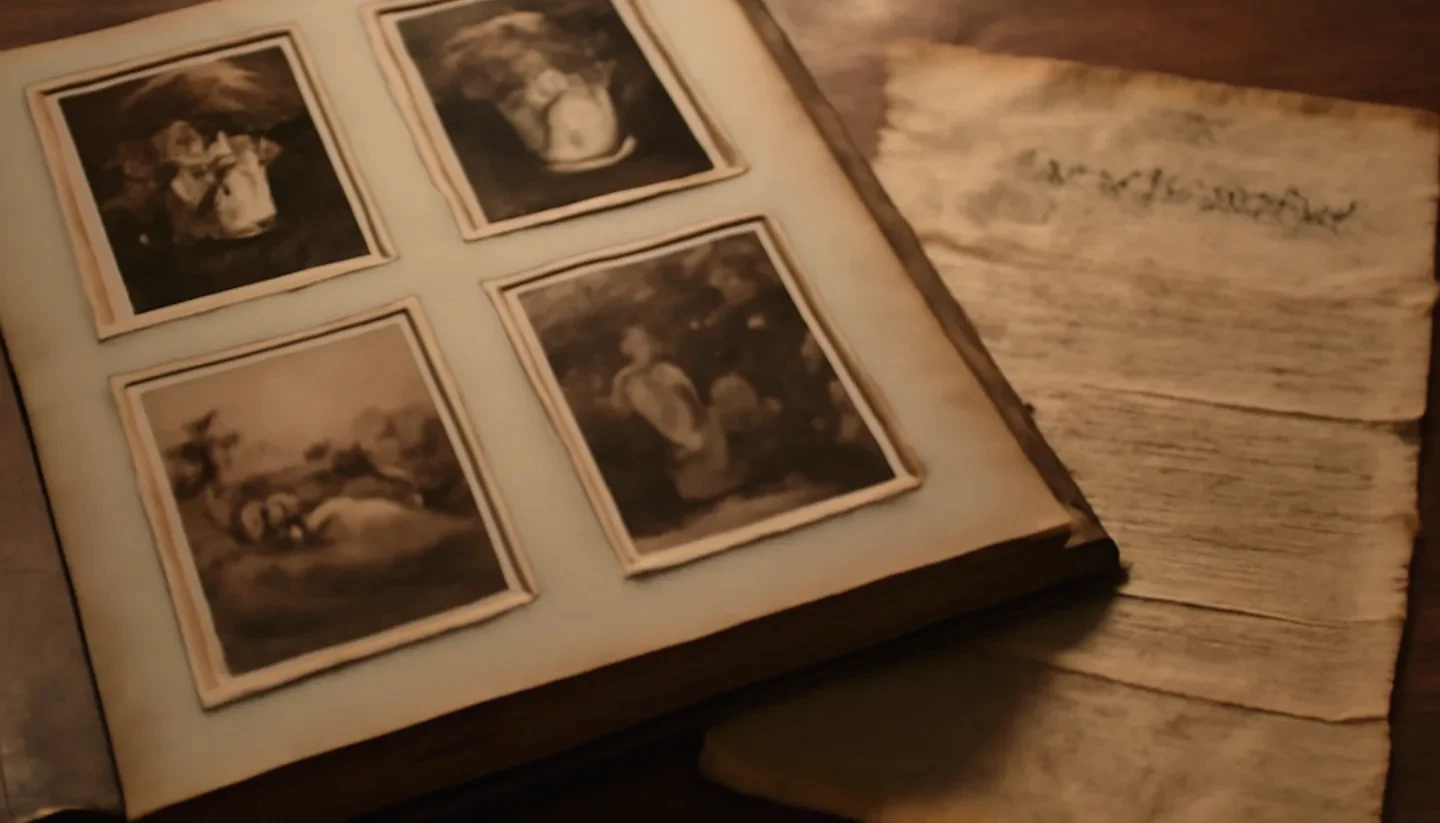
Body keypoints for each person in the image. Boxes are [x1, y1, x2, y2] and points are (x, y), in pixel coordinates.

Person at [609, 325, 745, 502]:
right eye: (637, 343)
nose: (644, 348)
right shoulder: (625, 380)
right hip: (674, 435)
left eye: (645, 342)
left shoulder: (664, 371)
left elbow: (689, 398)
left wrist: (698, 422)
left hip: (691, 429)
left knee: (714, 425)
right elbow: (621, 411)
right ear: (625, 348)